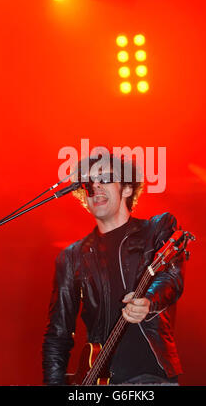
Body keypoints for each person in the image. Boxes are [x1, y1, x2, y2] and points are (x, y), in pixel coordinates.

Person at [42, 153, 185, 385]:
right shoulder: (71, 257)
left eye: (106, 178)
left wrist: (148, 302)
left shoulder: (157, 230)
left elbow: (171, 278)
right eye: (89, 183)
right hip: (97, 378)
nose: (95, 186)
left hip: (149, 379)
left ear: (127, 188)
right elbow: (58, 335)